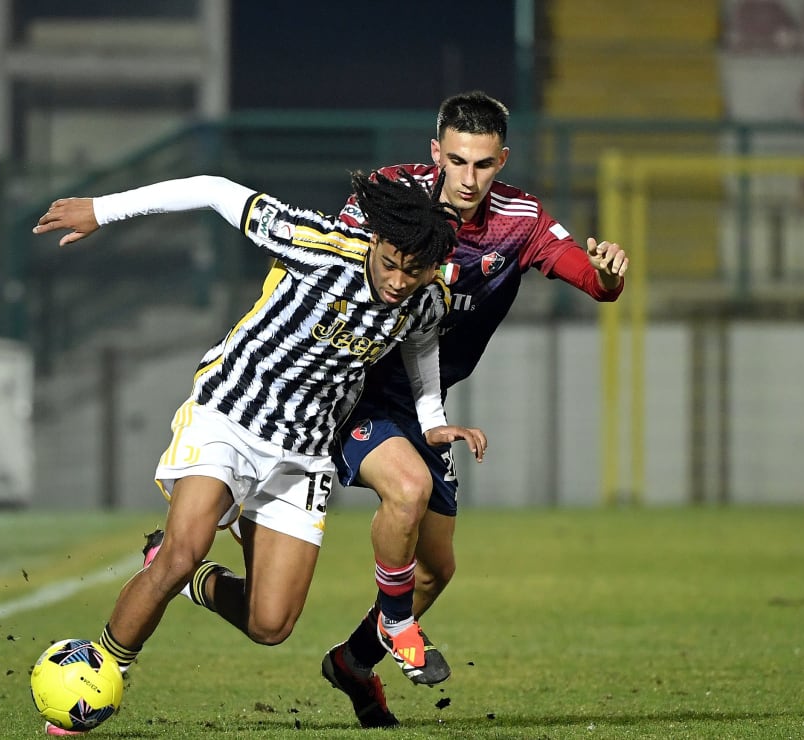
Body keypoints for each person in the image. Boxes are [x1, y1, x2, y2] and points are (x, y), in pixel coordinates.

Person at [30, 171, 488, 736]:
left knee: (271, 625)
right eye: (390, 262)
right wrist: (103, 209)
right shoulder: (316, 245)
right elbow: (213, 189)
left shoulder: (423, 302)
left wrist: (433, 422)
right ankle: (96, 675)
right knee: (181, 551)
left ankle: (201, 585)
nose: (397, 280)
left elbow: (422, 346)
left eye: (412, 272)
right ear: (375, 241)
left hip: (302, 455)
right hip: (230, 417)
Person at [320, 90, 629, 728]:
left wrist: (608, 275)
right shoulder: (391, 195)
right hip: (353, 387)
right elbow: (333, 261)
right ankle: (191, 556)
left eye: (483, 165)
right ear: (437, 152)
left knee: (437, 569)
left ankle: (352, 663)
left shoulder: (521, 220)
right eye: (457, 161)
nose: (468, 179)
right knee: (401, 493)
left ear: (502, 160)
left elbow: (591, 282)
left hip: (424, 402)